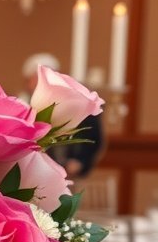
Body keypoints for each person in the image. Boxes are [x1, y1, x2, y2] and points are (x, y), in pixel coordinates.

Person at [21, 52, 105, 181]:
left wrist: (80, 161)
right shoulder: (21, 106)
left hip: (69, 173)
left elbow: (94, 139)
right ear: (28, 82)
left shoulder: (75, 103)